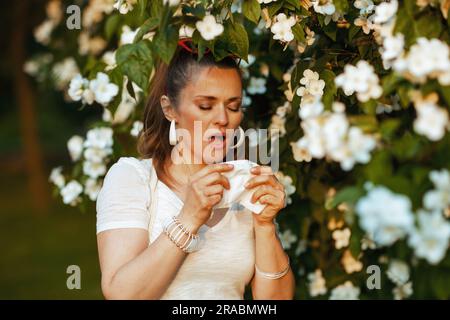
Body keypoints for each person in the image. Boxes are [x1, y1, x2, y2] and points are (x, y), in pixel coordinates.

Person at [95, 38, 295, 299]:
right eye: (205, 106)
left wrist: (265, 225)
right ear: (170, 109)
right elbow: (122, 295)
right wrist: (189, 217)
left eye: (233, 106)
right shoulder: (133, 178)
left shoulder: (244, 188)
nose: (223, 119)